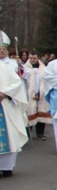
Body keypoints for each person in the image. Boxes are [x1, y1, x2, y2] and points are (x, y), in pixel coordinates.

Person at [0, 43, 29, 178]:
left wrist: (4, 93)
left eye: (3, 49)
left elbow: (17, 83)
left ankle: (7, 167)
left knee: (10, 136)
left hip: (5, 106)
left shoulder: (6, 68)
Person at [23, 51, 53, 140]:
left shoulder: (44, 69)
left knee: (41, 114)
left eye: (34, 58)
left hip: (41, 94)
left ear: (37, 58)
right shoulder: (25, 68)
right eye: (31, 58)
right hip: (29, 94)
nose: (32, 60)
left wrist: (39, 93)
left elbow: (45, 82)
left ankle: (40, 133)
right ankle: (28, 134)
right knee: (30, 113)